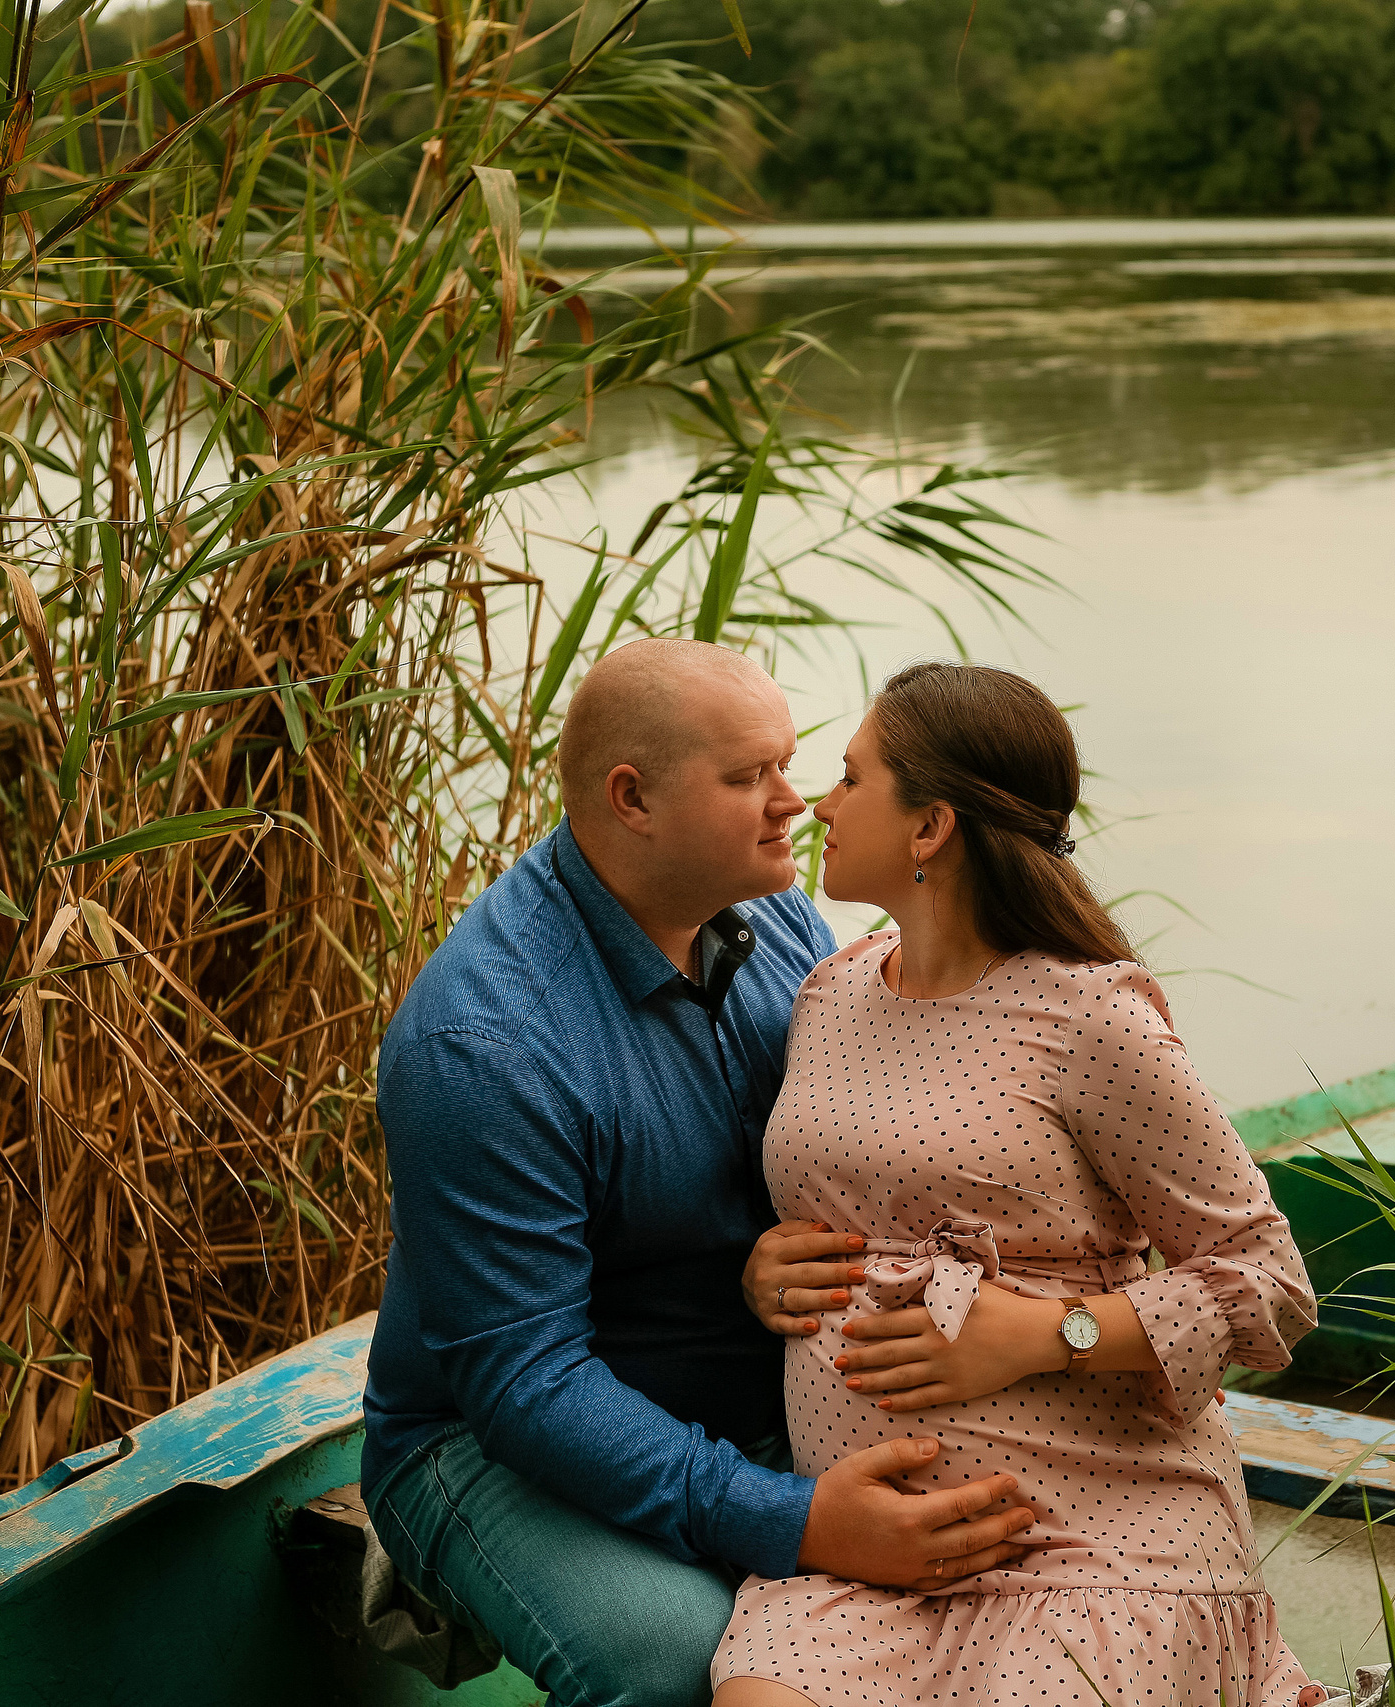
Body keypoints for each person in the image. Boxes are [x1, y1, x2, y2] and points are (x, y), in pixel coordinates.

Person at [361, 639, 1038, 1707]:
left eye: (790, 761)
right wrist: (795, 1520)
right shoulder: (482, 1045)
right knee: (680, 1658)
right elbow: (523, 1385)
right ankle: (443, 1556)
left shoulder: (770, 916)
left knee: (1019, 1567)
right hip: (491, 1443)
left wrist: (774, 1260)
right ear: (632, 800)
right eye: (747, 778)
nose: (796, 801)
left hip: (757, 1388)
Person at [718, 661, 1327, 1707]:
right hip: (867, 1552)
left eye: (852, 778)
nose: (820, 802)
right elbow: (844, 1206)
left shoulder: (1087, 1019)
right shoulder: (829, 991)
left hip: (1089, 1538)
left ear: (929, 829)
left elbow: (1269, 1285)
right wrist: (763, 1270)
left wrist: (1048, 1334)